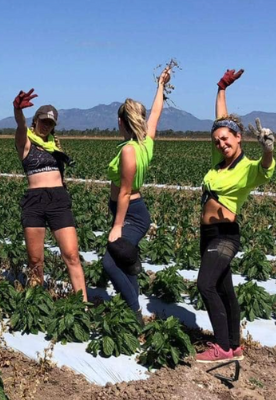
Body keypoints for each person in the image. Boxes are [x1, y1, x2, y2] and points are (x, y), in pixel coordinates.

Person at [194, 69, 276, 363]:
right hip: (208, 235)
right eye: (217, 141)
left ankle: (222, 347)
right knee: (224, 288)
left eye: (226, 139)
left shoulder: (246, 168)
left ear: (239, 138)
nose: (221, 144)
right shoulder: (219, 161)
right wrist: (221, 88)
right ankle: (234, 345)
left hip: (225, 235)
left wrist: (268, 149)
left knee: (205, 285)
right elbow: (221, 121)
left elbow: (265, 168)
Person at [102, 65, 172, 317]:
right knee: (122, 260)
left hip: (130, 212)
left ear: (120, 121)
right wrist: (161, 86)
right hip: (129, 210)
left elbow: (124, 192)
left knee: (109, 262)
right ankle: (133, 309)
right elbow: (156, 114)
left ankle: (134, 312)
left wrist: (117, 226)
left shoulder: (129, 150)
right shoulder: (145, 142)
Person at [11, 89, 87, 300]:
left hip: (58, 200)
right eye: (43, 121)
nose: (46, 126)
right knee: (36, 261)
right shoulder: (25, 142)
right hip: (34, 202)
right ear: (35, 121)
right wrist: (17, 110)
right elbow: (20, 125)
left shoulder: (54, 147)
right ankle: (36, 303)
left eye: (50, 123)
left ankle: (83, 304)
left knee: (72, 255)